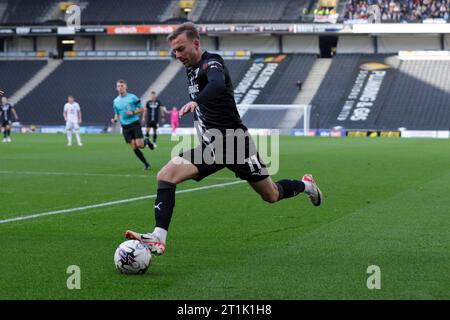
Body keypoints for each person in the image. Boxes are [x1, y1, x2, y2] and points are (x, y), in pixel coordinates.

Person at [125, 23, 323, 255]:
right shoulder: (190, 68)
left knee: (271, 194)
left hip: (236, 144)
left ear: (196, 43)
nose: (177, 55)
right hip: (213, 146)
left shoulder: (212, 62)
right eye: (174, 51)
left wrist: (197, 101)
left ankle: (307, 185)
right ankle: (158, 237)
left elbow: (217, 84)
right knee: (166, 176)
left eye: (181, 49)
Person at [112, 79, 154, 170]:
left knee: (140, 145)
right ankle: (146, 164)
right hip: (125, 127)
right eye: (118, 86)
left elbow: (142, 109)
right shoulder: (115, 101)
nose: (120, 88)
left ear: (126, 87)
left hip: (135, 124)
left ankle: (146, 141)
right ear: (116, 88)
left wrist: (133, 112)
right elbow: (117, 113)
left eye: (122, 86)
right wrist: (115, 119)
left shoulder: (132, 97)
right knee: (134, 146)